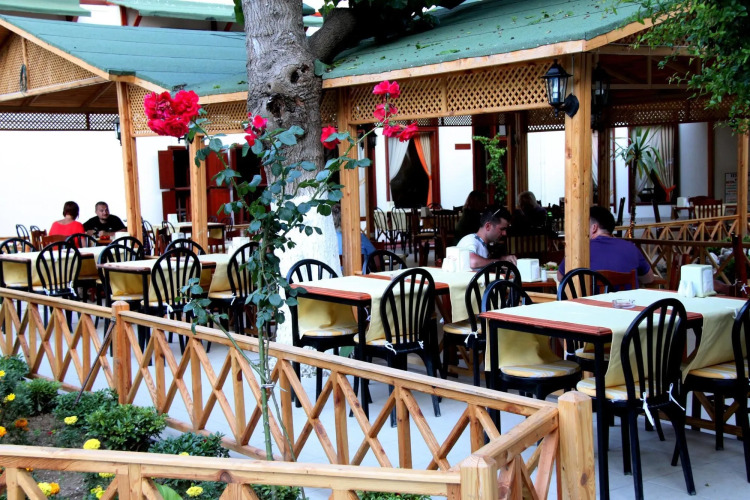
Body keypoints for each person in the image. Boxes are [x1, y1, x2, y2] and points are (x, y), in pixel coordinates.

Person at [557, 205, 654, 285]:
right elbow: (649, 278)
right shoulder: (631, 248)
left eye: (585, 226)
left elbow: (560, 277)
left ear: (594, 228)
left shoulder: (580, 250)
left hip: (590, 303)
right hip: (625, 303)